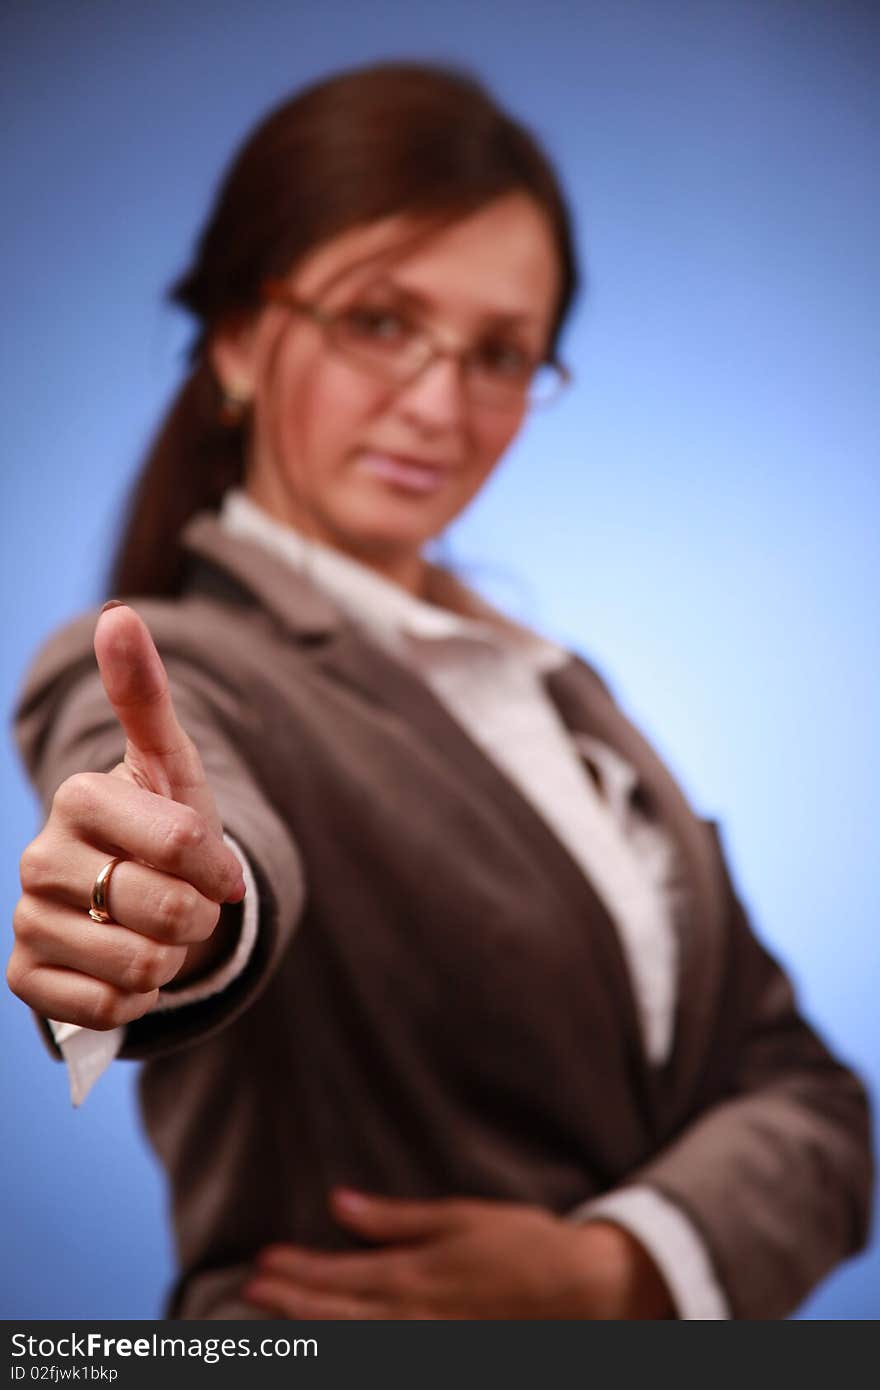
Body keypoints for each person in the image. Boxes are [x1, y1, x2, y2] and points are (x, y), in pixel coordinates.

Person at [7, 60, 873, 1321]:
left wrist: (610, 1269)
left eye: (500, 354)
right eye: (379, 322)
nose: (436, 405)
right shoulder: (177, 660)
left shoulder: (562, 699)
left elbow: (812, 1100)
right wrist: (180, 907)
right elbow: (213, 845)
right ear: (243, 337)